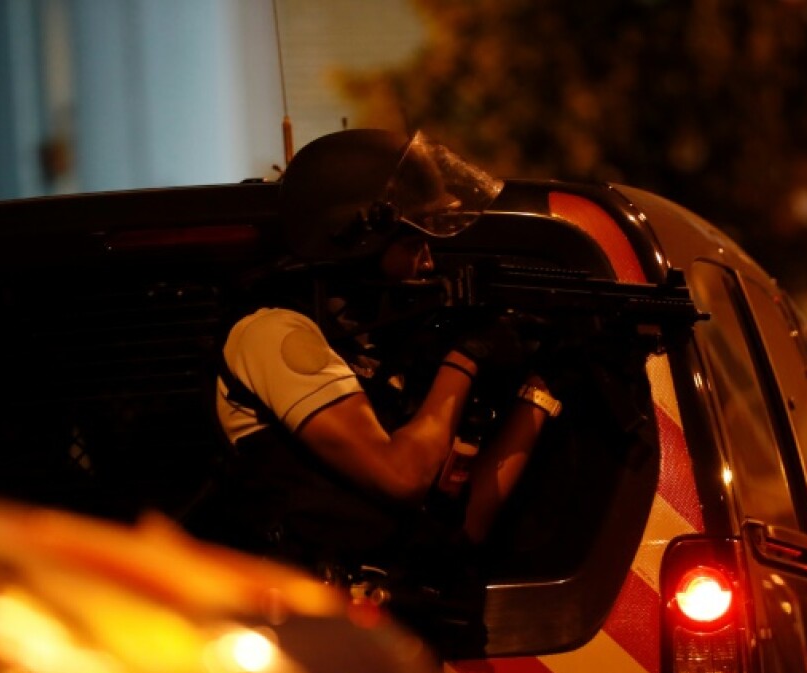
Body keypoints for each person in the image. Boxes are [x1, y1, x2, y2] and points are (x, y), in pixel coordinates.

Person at [195, 130, 561, 641]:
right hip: (301, 640)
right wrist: (464, 358)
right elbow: (402, 474)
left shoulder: (371, 354)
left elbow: (460, 529)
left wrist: (541, 391)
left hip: (390, 638)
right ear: (356, 241)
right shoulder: (273, 333)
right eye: (414, 244)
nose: (428, 264)